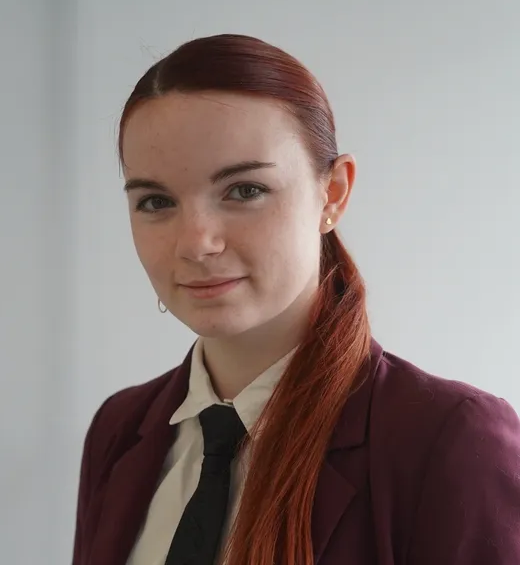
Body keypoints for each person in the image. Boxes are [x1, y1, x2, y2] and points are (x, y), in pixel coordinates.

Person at [71, 33, 520, 565]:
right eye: (155, 201)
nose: (195, 243)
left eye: (244, 190)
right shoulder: (119, 430)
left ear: (334, 192)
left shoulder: (450, 441)